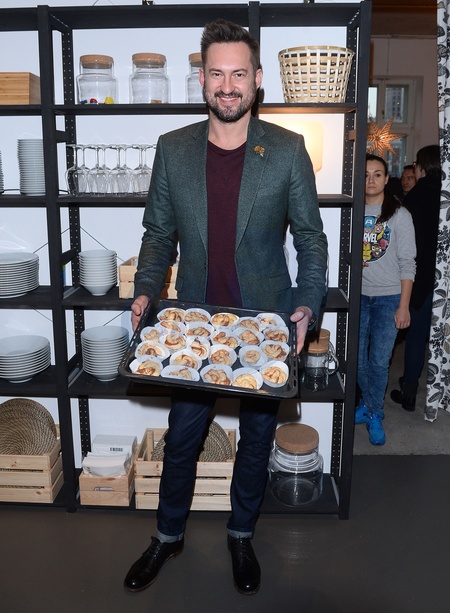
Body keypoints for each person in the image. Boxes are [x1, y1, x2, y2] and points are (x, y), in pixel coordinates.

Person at [124, 19, 328, 596]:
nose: (228, 85)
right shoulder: (173, 148)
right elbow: (157, 235)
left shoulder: (287, 150)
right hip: (193, 326)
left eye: (239, 74)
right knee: (181, 438)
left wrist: (306, 304)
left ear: (257, 79)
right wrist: (146, 289)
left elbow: (311, 239)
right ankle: (168, 535)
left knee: (257, 441)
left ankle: (241, 534)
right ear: (203, 79)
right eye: (217, 73)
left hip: (264, 325)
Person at [355, 154, 416, 445]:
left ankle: (374, 412)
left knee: (379, 362)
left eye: (377, 174)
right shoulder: (352, 209)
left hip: (389, 298)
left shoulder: (400, 215)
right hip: (357, 297)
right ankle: (368, 404)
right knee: (356, 360)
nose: (371, 180)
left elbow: (408, 262)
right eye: (366, 174)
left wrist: (404, 306)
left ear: (386, 178)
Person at [390, 145, 441, 411]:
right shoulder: (444, 192)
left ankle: (409, 392)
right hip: (441, 278)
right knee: (436, 338)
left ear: (423, 167)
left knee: (415, 337)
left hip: (417, 277)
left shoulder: (417, 195)